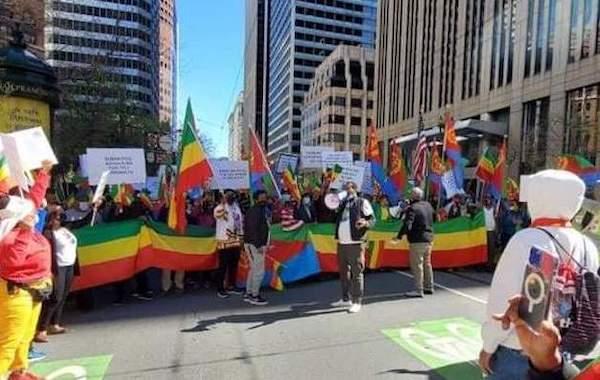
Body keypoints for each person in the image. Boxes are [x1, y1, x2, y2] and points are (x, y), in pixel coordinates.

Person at [479, 170, 599, 380]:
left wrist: (488, 346)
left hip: (519, 352)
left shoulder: (526, 239)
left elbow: (502, 303)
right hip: (566, 351)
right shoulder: (587, 244)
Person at [0, 161, 53, 380]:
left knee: (24, 337)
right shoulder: (6, 233)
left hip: (34, 288)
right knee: (8, 343)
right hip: (16, 291)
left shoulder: (19, 218)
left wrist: (44, 173)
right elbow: (12, 261)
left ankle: (18, 373)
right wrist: (25, 230)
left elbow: (34, 200)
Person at [34, 210, 80, 343]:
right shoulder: (48, 234)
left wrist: (94, 207)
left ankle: (54, 324)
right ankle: (41, 329)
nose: (59, 220)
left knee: (63, 296)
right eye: (56, 217)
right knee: (55, 297)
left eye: (60, 217)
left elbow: (83, 222)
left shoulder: (65, 230)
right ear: (50, 220)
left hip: (69, 266)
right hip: (57, 268)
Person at [332, 181, 375, 313]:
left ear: (355, 189)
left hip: (355, 243)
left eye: (348, 188)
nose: (346, 190)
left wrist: (365, 222)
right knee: (343, 273)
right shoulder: (342, 203)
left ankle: (357, 301)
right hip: (342, 243)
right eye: (345, 188)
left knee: (357, 273)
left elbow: (373, 220)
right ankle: (346, 298)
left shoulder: (362, 202)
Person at [395, 187, 436, 298]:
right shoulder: (428, 205)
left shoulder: (412, 208)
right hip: (429, 238)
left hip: (417, 240)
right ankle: (429, 286)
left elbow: (408, 225)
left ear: (413, 196)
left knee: (417, 265)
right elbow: (435, 217)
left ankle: (418, 290)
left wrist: (399, 237)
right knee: (427, 264)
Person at [213, 190, 244, 298]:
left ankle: (232, 286)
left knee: (233, 265)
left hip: (236, 240)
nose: (231, 197)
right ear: (224, 197)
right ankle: (220, 288)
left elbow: (239, 221)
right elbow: (218, 215)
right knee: (223, 266)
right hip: (224, 240)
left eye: (232, 195)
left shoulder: (236, 206)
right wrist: (223, 203)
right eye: (229, 195)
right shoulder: (220, 208)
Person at [243, 190, 270, 306]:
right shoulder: (255, 211)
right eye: (262, 198)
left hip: (254, 244)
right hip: (255, 245)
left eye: (265, 197)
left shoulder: (260, 210)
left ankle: (249, 293)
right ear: (256, 199)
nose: (264, 199)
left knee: (253, 269)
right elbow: (253, 229)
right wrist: (259, 245)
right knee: (259, 271)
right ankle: (255, 295)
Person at [483, 196, 499, 269]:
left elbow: (496, 220)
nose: (488, 201)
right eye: (487, 199)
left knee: (491, 248)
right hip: (484, 231)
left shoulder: (494, 209)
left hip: (491, 231)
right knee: (484, 248)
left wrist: (496, 229)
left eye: (489, 199)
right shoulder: (482, 209)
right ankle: (484, 264)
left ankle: (490, 264)